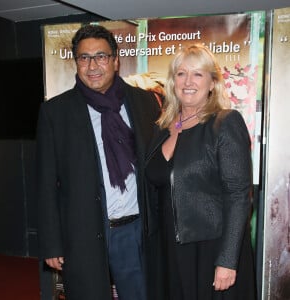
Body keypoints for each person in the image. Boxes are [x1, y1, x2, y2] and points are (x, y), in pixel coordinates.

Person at [36, 24, 161, 300]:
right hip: (83, 232)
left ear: (115, 60)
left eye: (101, 56)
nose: (92, 65)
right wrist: (51, 243)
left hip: (133, 231)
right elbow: (45, 184)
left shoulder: (144, 103)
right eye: (84, 57)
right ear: (76, 62)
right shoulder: (55, 112)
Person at [145, 44, 256, 299]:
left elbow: (239, 195)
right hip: (168, 249)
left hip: (210, 248)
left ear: (212, 83)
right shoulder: (161, 128)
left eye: (198, 74)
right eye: (181, 74)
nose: (188, 82)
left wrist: (228, 260)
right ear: (173, 82)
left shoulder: (224, 123)